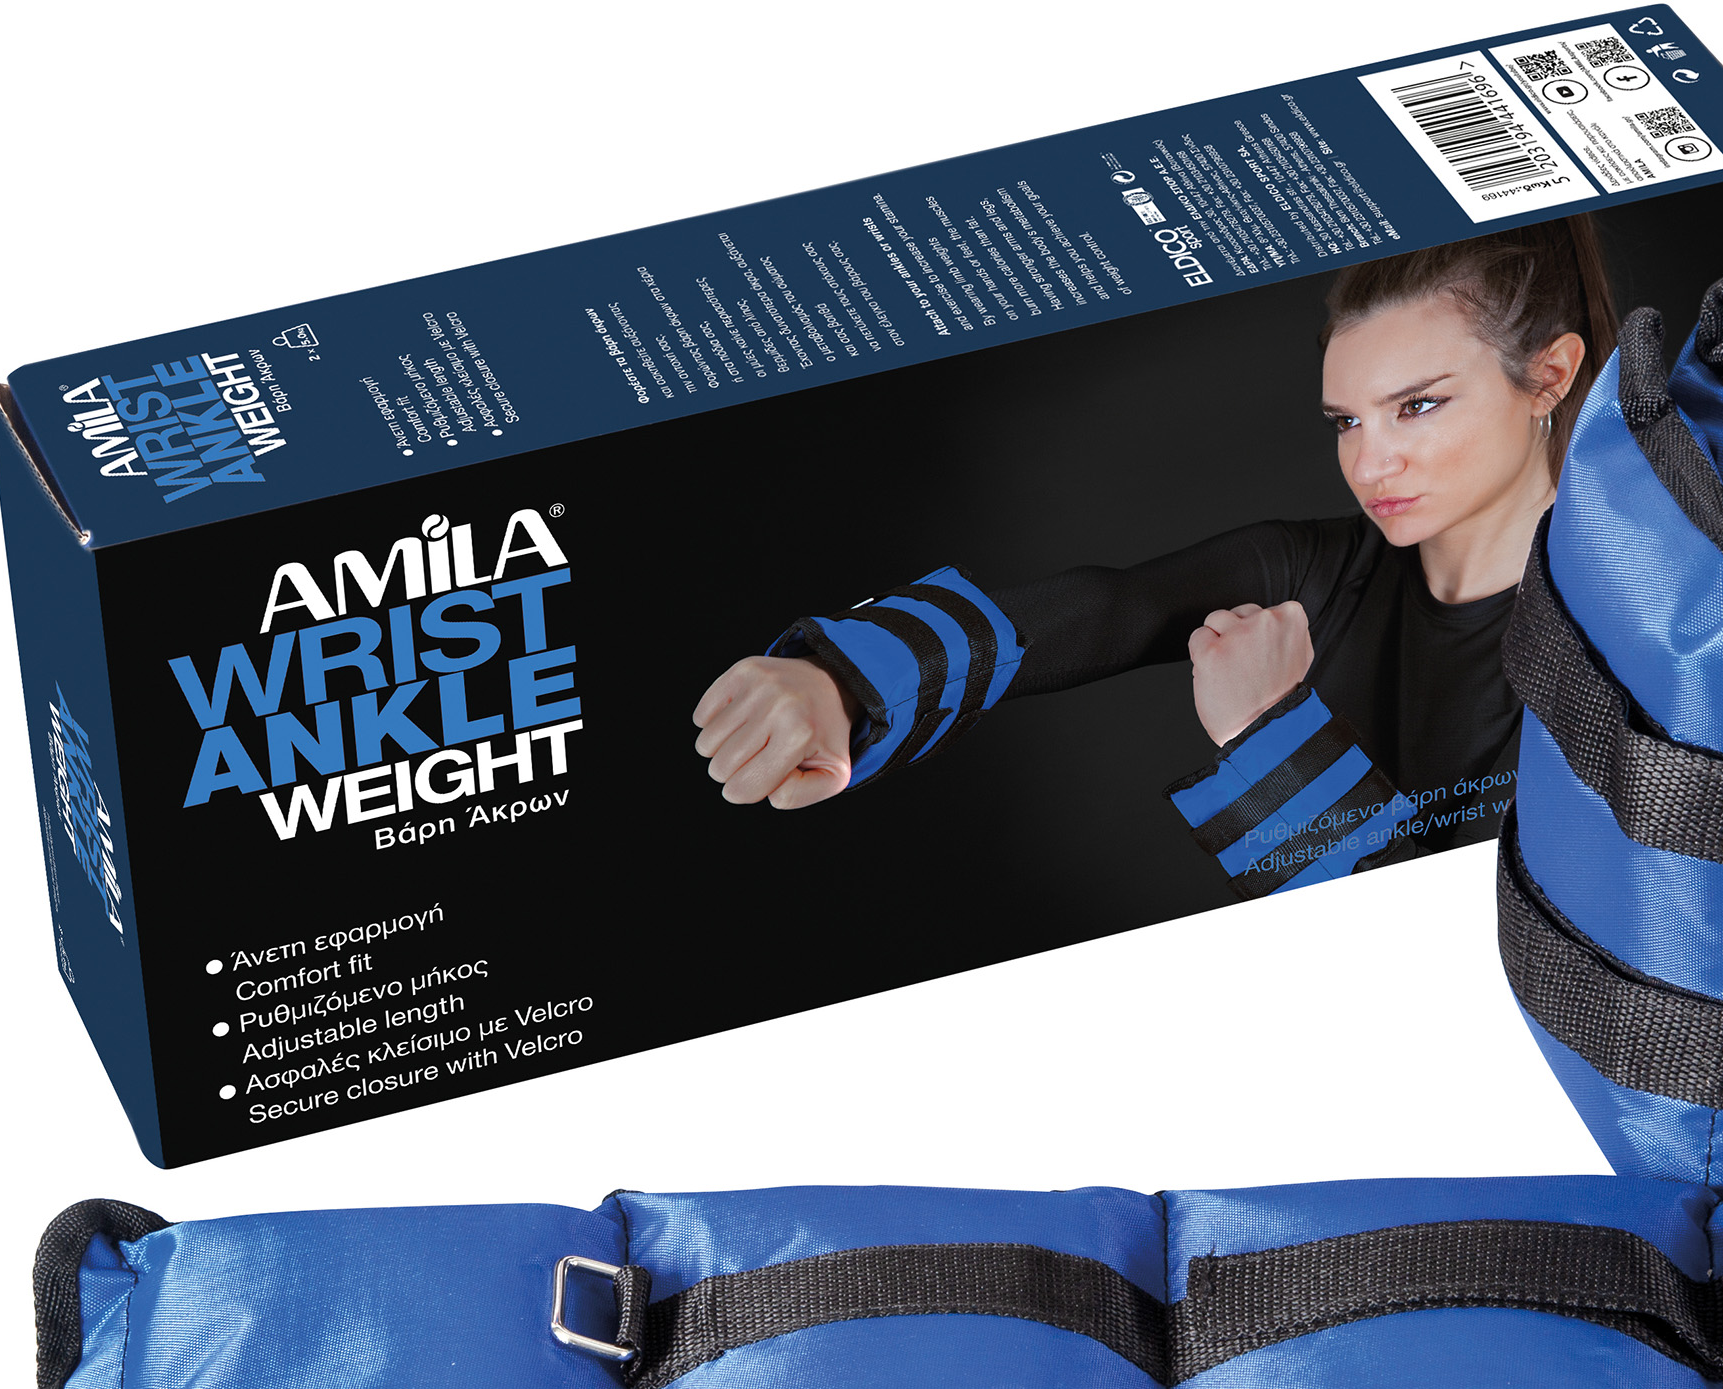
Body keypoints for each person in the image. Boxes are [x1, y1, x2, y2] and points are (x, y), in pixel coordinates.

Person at [689, 219, 1617, 889]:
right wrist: (843, 680)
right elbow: (1108, 609)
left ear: (1549, 375)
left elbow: (1465, 971)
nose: (1370, 465)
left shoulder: (1635, 637)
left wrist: (1266, 731)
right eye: (1346, 422)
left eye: (1418, 405)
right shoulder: (1322, 571)